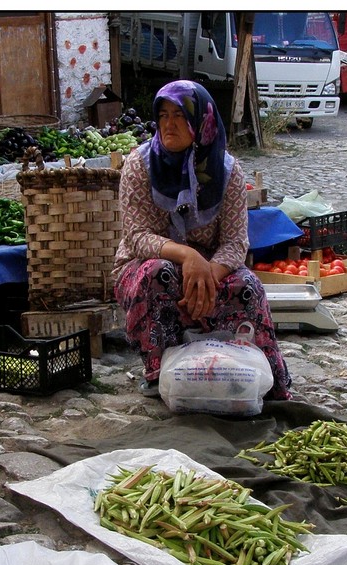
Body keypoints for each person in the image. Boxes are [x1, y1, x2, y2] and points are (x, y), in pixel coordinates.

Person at [113, 79, 292, 400]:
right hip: (147, 268)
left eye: (179, 116)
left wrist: (207, 275)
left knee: (248, 286)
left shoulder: (227, 171)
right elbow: (138, 237)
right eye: (163, 115)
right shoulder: (139, 166)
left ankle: (262, 377)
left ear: (202, 121)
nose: (169, 124)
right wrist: (187, 257)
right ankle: (160, 375)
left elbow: (236, 242)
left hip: (211, 270)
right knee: (159, 274)